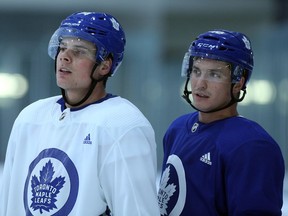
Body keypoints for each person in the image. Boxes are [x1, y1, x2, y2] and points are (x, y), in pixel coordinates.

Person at [0, 12, 160, 216]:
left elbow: (137, 211)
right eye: (63, 47)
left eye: (79, 51)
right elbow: (9, 204)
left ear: (105, 65)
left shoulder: (123, 125)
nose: (64, 57)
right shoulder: (29, 118)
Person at [157, 30, 285, 215]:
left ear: (238, 82)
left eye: (214, 75)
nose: (200, 84)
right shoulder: (177, 129)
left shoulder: (252, 146)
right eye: (196, 71)